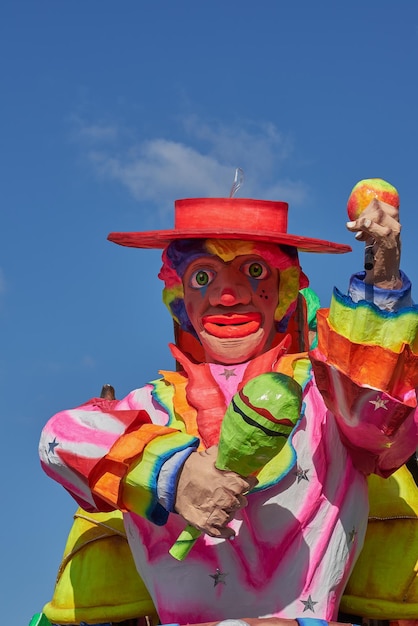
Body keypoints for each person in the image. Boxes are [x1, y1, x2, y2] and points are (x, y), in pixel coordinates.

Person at [39, 191, 418, 625]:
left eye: (253, 271)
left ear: (283, 292)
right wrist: (173, 476)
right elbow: (59, 438)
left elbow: (386, 417)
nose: (227, 294)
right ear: (180, 296)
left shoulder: (324, 399)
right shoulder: (150, 408)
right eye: (203, 277)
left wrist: (382, 271)